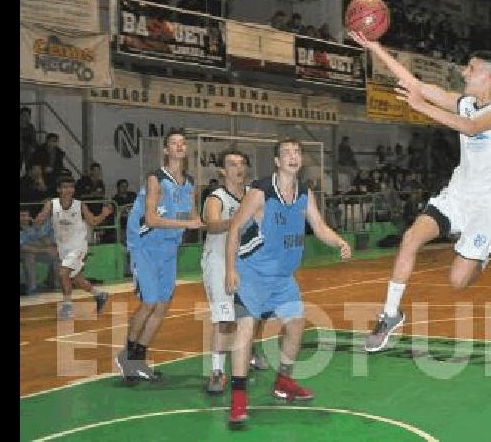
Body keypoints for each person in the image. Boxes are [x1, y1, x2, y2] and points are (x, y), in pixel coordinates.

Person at [347, 31, 491, 352]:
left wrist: (422, 108)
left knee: (458, 281)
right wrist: (375, 47)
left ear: (488, 76)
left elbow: (473, 127)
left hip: (486, 205)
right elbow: (417, 86)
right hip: (457, 195)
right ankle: (390, 314)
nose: (463, 73)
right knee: (409, 239)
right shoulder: (466, 103)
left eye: (470, 69)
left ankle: (482, 255)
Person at [224, 138, 352, 426]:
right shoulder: (261, 192)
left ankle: (283, 382)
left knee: (296, 325)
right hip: (252, 274)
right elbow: (233, 228)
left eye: (297, 152)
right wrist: (230, 270)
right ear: (278, 162)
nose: (293, 156)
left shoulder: (305, 193)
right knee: (246, 330)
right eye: (287, 153)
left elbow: (319, 227)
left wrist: (339, 242)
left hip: (282, 278)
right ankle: (238, 398)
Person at [116, 128, 206, 384]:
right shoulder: (155, 179)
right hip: (144, 246)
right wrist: (187, 225)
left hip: (168, 249)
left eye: (182, 143)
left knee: (163, 305)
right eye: (173, 143)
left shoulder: (189, 184)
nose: (179, 146)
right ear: (166, 150)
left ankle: (137, 358)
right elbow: (152, 218)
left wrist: (211, 222)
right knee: (149, 302)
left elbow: (192, 218)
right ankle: (127, 356)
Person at [200, 150, 268, 395]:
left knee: (253, 314)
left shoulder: (252, 195)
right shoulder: (216, 198)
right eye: (232, 164)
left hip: (248, 261)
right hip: (218, 261)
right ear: (222, 171)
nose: (238, 168)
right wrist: (238, 220)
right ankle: (217, 371)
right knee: (226, 319)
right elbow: (213, 224)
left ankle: (247, 351)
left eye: (242, 163)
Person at [33, 175, 114, 319]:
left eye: (71, 187)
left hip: (78, 245)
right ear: (58, 189)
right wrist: (36, 219)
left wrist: (103, 214)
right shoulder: (51, 204)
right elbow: (39, 220)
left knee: (63, 273)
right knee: (77, 279)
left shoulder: (80, 205)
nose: (68, 190)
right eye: (65, 187)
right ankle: (100, 294)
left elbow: (93, 222)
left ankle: (67, 307)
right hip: (63, 247)